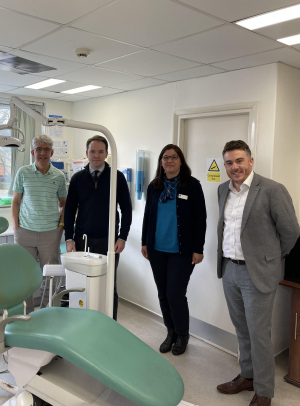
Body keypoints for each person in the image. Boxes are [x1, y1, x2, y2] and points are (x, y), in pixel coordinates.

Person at [216, 140, 300, 406]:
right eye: (229, 162)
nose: (234, 167)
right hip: (229, 270)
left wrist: (269, 260)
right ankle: (248, 376)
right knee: (242, 330)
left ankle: (264, 393)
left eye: (239, 161)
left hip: (257, 275)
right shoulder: (221, 190)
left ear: (251, 161)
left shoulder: (273, 190)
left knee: (259, 335)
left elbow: (290, 233)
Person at [141, 144, 206, 356]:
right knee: (162, 293)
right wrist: (144, 242)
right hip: (157, 250)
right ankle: (170, 332)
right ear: (161, 162)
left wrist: (199, 248)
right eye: (165, 157)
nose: (169, 161)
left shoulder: (192, 186)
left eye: (174, 157)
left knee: (175, 294)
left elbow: (200, 219)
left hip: (182, 251)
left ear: (181, 161)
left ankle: (182, 334)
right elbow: (148, 216)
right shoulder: (154, 186)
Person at [64, 135, 132, 321]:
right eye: (92, 151)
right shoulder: (77, 179)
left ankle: (110, 326)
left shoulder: (117, 177)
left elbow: (126, 209)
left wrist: (122, 237)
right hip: (82, 241)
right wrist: (69, 238)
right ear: (86, 153)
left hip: (108, 242)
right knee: (82, 284)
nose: (96, 156)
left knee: (109, 286)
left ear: (106, 154)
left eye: (100, 151)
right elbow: (70, 211)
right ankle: (81, 324)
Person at [12, 134, 67, 313]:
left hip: (50, 233)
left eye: (46, 149)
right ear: (32, 152)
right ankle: (26, 314)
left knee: (50, 277)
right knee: (23, 276)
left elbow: (64, 204)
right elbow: (16, 201)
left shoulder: (59, 177)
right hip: (25, 232)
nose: (42, 153)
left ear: (51, 153)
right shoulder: (23, 172)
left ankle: (45, 313)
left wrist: (60, 227)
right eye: (38, 149)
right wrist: (16, 227)